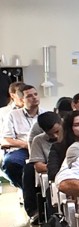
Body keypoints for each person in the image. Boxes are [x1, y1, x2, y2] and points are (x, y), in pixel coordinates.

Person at [4, 82, 42, 218]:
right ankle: (28, 192)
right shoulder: (13, 115)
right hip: (22, 148)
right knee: (10, 163)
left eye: (36, 94)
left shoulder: (46, 114)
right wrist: (25, 145)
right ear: (22, 100)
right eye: (29, 96)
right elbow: (8, 138)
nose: (34, 98)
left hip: (42, 148)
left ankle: (35, 195)